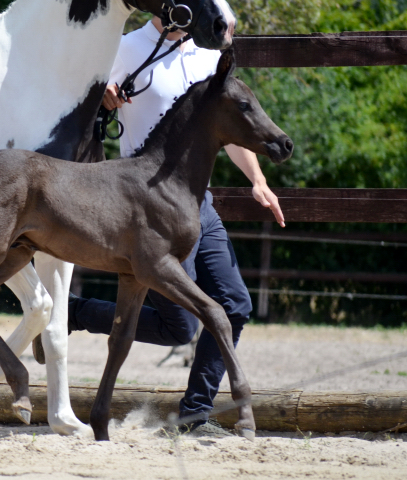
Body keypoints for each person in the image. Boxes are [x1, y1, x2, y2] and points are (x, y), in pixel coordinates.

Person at [68, 17, 286, 435]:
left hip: (196, 202)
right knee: (180, 326)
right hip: (144, 205)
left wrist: (257, 181)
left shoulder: (206, 57)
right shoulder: (125, 48)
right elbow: (80, 101)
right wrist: (103, 97)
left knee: (236, 304)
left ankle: (194, 414)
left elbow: (231, 126)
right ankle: (75, 313)